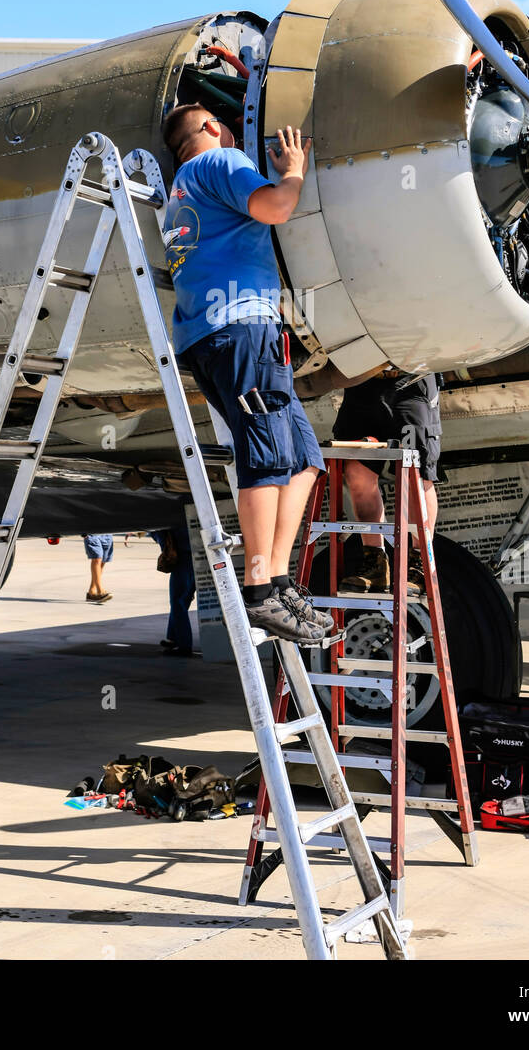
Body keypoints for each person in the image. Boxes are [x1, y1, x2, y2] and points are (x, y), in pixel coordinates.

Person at [161, 102, 332, 644]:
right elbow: (278, 207)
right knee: (266, 453)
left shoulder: (179, 195)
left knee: (304, 460)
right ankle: (258, 588)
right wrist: (293, 170)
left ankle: (278, 580)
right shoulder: (221, 161)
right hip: (241, 327)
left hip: (214, 336)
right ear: (210, 128)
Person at [331, 371, 442, 590]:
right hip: (361, 378)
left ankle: (419, 564)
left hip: (411, 378)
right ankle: (376, 563)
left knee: (416, 474)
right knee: (356, 471)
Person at [150, 522, 197, 657]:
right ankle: (173, 637)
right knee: (183, 600)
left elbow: (160, 536)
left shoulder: (173, 518)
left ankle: (184, 645)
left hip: (184, 558)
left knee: (178, 602)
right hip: (199, 556)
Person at [84, 533, 114, 603]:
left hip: (107, 533)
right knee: (97, 558)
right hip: (92, 531)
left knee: (103, 560)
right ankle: (100, 591)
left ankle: (92, 592)